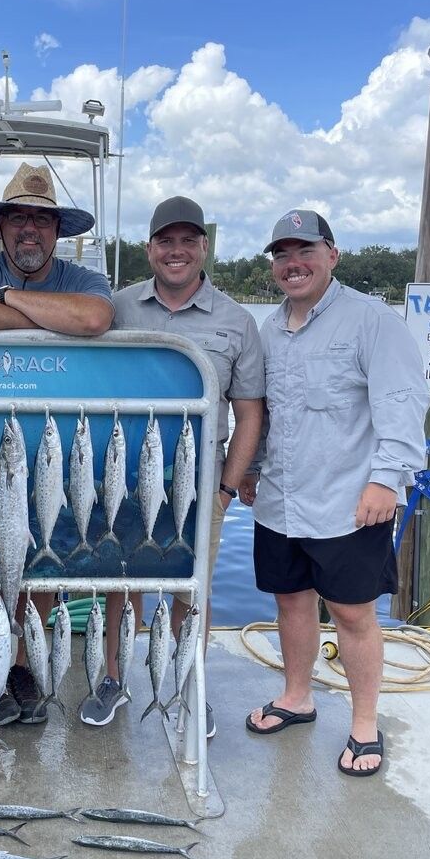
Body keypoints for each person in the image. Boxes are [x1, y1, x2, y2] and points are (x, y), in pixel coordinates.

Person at [240, 209, 430, 777]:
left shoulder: (372, 321)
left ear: (332, 255)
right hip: (279, 500)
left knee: (352, 614)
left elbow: (403, 403)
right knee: (290, 601)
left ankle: (364, 724)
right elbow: (264, 413)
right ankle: (298, 697)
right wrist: (250, 467)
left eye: (305, 251)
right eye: (281, 254)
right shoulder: (268, 331)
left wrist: (386, 479)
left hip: (350, 504)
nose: (292, 264)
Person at [0, 162, 114, 726]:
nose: (30, 229)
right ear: (0, 228)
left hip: (58, 449)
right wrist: (34, 313)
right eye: (18, 218)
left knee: (38, 564)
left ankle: (25, 671)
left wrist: (7, 300)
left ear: (58, 232)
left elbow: (93, 318)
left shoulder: (81, 277)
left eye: (42, 219)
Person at [90, 196, 265, 734]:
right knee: (121, 585)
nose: (176, 251)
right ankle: (113, 681)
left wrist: (228, 489)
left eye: (188, 240)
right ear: (149, 249)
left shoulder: (237, 321)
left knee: (194, 591)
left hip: (200, 483)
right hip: (120, 477)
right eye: (166, 241)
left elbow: (250, 412)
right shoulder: (114, 308)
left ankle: (191, 682)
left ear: (204, 248)